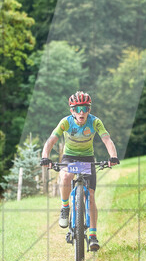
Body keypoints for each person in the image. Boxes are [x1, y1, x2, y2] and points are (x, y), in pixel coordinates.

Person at [40, 91, 119, 252]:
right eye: (78, 109)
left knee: (90, 195)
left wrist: (113, 156)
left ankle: (93, 236)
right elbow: (52, 139)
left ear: (89, 109)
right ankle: (65, 207)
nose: (81, 112)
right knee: (66, 175)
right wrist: (45, 157)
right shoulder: (66, 122)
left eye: (85, 108)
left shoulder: (95, 122)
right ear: (72, 110)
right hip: (70, 157)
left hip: (88, 158)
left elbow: (106, 139)